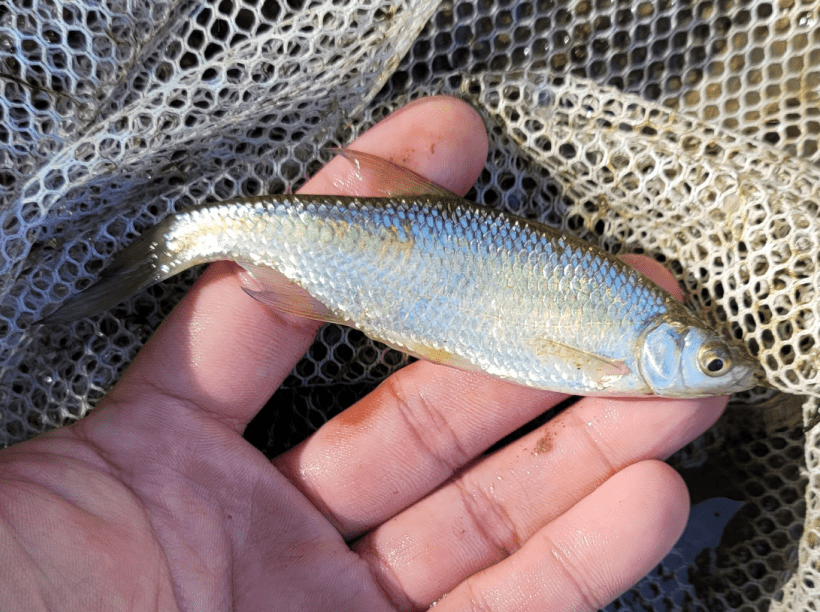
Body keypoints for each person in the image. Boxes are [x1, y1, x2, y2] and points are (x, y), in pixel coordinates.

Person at [0, 97, 727, 611]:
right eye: (710, 366)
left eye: (713, 368)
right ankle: (177, 243)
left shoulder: (629, 325)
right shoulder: (623, 344)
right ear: (667, 345)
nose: (708, 379)